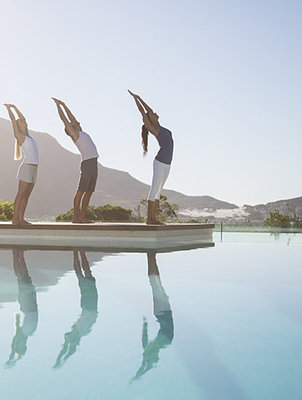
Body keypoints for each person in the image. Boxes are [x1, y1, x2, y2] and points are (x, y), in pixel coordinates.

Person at [128, 91, 174, 225]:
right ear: (150, 119)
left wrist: (140, 97)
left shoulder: (160, 126)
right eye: (152, 114)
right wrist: (136, 99)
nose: (154, 113)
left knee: (159, 191)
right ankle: (149, 219)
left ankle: (154, 219)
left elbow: (148, 110)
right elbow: (144, 113)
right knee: (154, 189)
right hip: (160, 162)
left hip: (167, 163)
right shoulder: (152, 128)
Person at [52, 98, 99, 223]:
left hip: (94, 163)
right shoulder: (75, 134)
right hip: (87, 163)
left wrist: (64, 104)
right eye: (72, 123)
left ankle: (82, 217)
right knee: (81, 190)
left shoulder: (81, 131)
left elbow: (72, 118)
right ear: (70, 129)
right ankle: (75, 217)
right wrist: (58, 106)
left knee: (89, 192)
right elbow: (65, 119)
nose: (75, 122)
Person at [132, 252, 174, 382]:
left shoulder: (158, 344)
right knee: (155, 282)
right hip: (163, 312)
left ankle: (151, 256)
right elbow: (146, 346)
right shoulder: (165, 342)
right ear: (155, 354)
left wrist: (140, 372)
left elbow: (144, 341)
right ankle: (151, 256)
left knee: (156, 283)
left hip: (161, 312)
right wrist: (144, 367)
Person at [54, 250, 98, 368]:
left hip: (88, 306)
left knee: (83, 275)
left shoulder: (80, 332)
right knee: (83, 274)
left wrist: (60, 359)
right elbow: (69, 348)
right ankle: (79, 253)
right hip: (90, 306)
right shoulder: (80, 332)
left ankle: (79, 253)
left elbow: (67, 347)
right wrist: (60, 359)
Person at [4, 104, 39, 225]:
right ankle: (15, 219)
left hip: (34, 168)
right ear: (20, 125)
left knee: (26, 196)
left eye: (24, 120)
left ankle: (21, 218)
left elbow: (22, 118)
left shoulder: (29, 135)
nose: (25, 121)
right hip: (27, 167)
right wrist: (9, 109)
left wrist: (15, 107)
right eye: (22, 121)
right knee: (21, 194)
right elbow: (13, 121)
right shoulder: (20, 136)